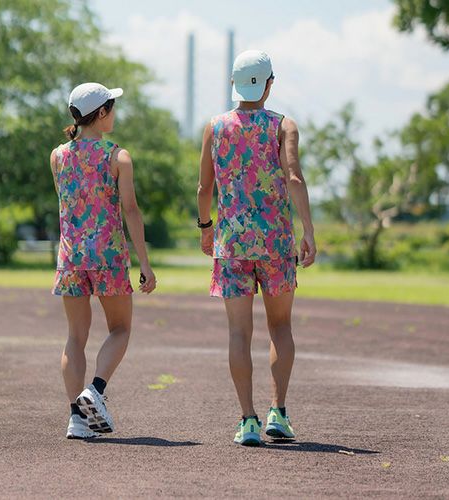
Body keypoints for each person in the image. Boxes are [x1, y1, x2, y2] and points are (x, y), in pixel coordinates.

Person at [197, 50, 317, 446]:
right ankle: (278, 412)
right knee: (280, 327)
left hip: (232, 243)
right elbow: (294, 177)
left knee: (238, 332)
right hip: (276, 241)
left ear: (233, 83)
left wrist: (205, 228)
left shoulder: (215, 127)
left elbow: (204, 187)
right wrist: (308, 231)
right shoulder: (283, 126)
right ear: (269, 84)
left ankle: (247, 420)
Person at [50, 82, 156, 439]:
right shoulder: (118, 157)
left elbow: (66, 204)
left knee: (75, 337)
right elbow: (131, 211)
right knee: (120, 329)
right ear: (101, 113)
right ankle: (95, 390)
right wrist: (145, 264)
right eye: (112, 106)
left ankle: (76, 419)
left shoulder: (57, 156)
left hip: (71, 257)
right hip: (108, 255)